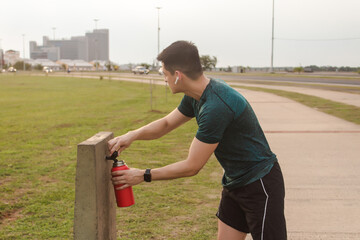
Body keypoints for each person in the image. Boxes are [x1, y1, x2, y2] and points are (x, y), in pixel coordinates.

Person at [108, 41, 287, 240]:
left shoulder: (216, 106)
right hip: (234, 183)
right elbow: (167, 123)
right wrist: (131, 135)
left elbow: (192, 166)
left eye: (164, 74)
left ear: (177, 76)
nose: (164, 80)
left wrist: (143, 175)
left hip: (260, 184)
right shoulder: (196, 95)